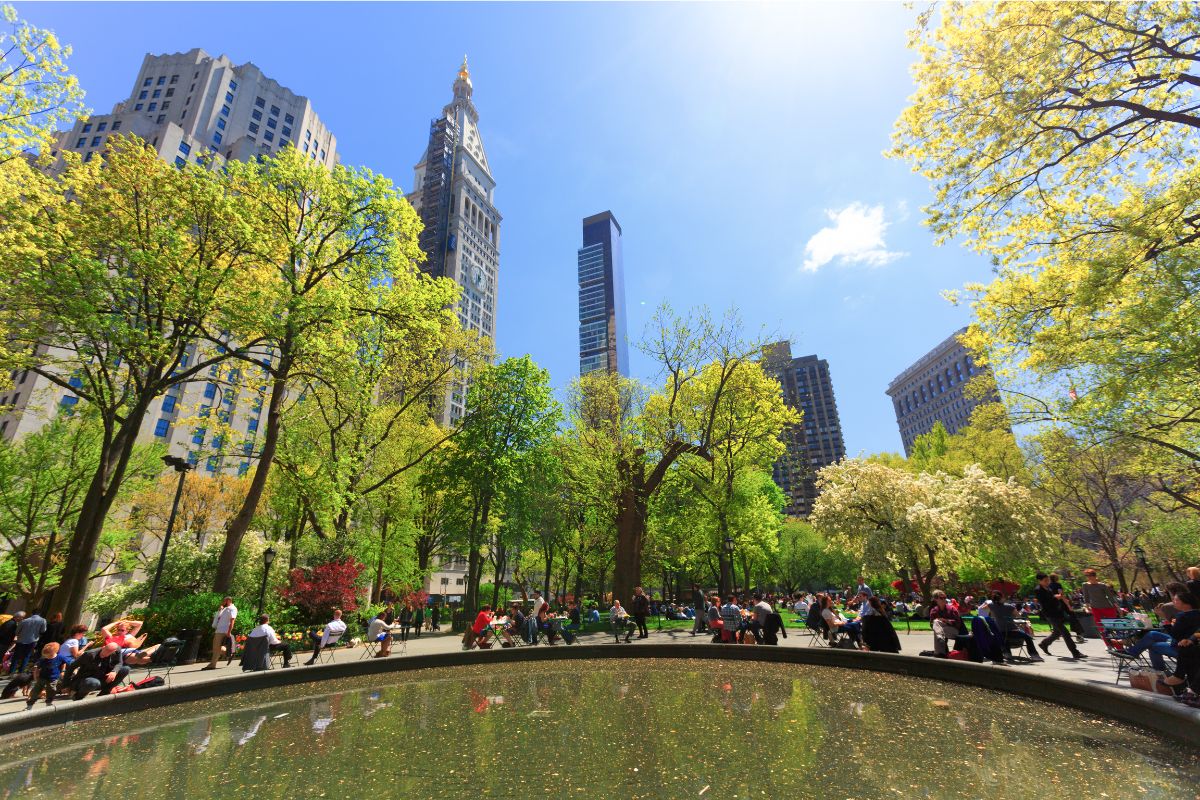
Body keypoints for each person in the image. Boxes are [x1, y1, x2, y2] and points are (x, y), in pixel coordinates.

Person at [1115, 583, 1198, 672]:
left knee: (1153, 646)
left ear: (1185, 603)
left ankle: (1160, 672)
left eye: (1176, 600)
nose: (1173, 601)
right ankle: (1133, 652)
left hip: (1181, 645)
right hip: (1183, 641)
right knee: (1152, 634)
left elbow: (1175, 634)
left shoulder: (1182, 615)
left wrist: (1167, 622)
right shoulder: (1192, 612)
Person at [1035, 572, 1086, 659]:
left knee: (1057, 632)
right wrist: (1056, 597)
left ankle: (1044, 644)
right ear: (1040, 581)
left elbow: (1052, 598)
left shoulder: (1048, 588)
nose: (1048, 582)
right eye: (1045, 580)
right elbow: (1045, 602)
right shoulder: (1038, 590)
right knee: (1065, 633)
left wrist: (1057, 598)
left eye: (1048, 580)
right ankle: (1075, 652)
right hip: (1050, 614)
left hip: (1057, 612)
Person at [63, 641, 127, 700]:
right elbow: (71, 667)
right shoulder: (89, 654)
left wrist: (114, 671)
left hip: (103, 677)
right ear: (103, 647)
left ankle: (104, 694)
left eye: (108, 652)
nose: (105, 654)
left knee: (125, 669)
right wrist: (66, 685)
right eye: (105, 650)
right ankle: (78, 696)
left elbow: (119, 663)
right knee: (93, 682)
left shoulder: (117, 650)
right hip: (87, 679)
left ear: (114, 651)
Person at [990, 592, 1042, 661]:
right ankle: (1034, 655)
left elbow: (992, 616)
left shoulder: (992, 606)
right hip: (1011, 631)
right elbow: (1019, 617)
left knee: (1005, 637)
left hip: (999, 632)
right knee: (1028, 638)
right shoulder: (1009, 606)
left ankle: (1007, 653)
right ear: (1002, 598)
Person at [26, 642, 69, 708]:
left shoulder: (60, 657)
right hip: (42, 677)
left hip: (53, 678)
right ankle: (30, 704)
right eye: (45, 655)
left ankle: (49, 702)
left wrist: (63, 670)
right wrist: (35, 677)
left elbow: (64, 663)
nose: (46, 657)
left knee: (51, 689)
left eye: (48, 656)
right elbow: (36, 668)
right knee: (36, 690)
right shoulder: (43, 659)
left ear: (54, 652)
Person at [203, 596, 238, 670]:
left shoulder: (232, 609)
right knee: (217, 647)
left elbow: (232, 621)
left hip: (224, 631)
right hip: (219, 630)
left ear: (228, 600)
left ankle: (212, 665)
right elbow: (218, 619)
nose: (223, 602)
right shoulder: (225, 609)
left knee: (216, 648)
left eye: (224, 601)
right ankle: (229, 653)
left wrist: (229, 632)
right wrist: (219, 610)